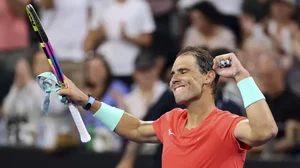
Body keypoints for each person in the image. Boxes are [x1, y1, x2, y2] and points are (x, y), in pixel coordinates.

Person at [57, 46, 278, 167]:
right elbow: (134, 128)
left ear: (208, 77)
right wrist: (86, 100)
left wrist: (241, 75)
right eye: (172, 73)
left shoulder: (228, 123)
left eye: (183, 71)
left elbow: (265, 130)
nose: (174, 79)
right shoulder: (172, 120)